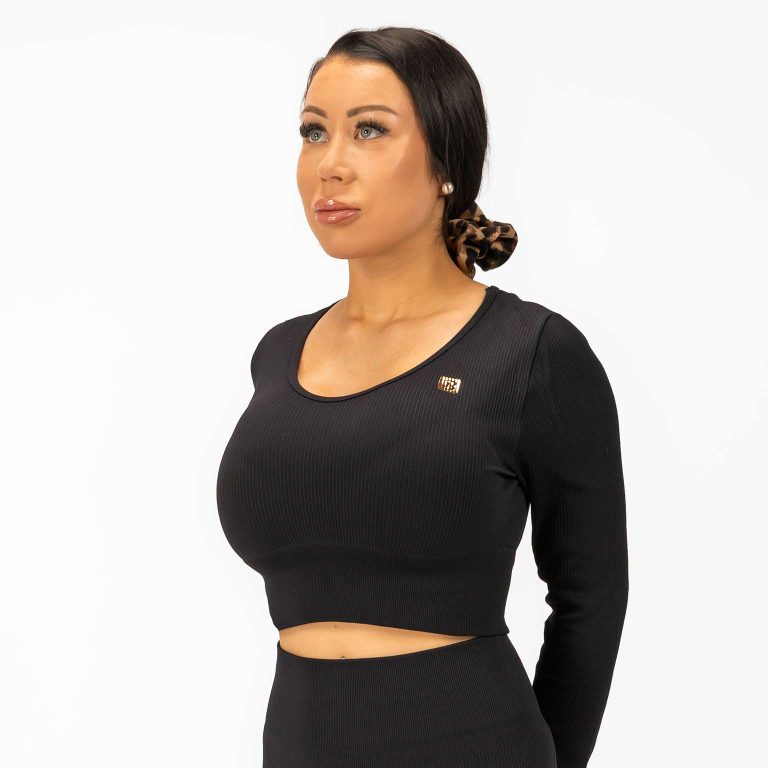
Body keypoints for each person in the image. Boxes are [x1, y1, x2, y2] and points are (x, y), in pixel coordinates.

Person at [216, 26, 629, 768]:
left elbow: (590, 601)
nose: (330, 164)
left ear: (446, 162)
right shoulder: (278, 355)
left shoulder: (530, 353)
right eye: (314, 132)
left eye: (369, 129)